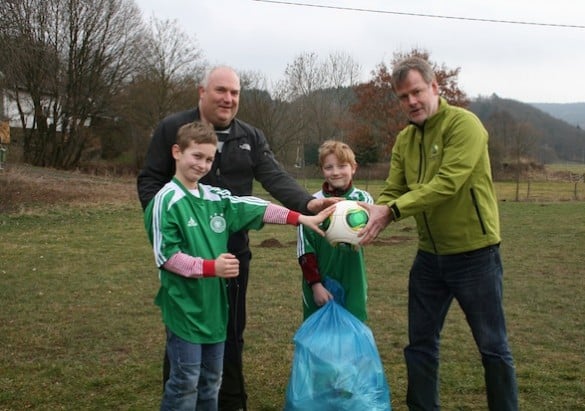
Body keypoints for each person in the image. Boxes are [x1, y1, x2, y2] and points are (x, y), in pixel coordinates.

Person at [137, 65, 336, 411]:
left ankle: (230, 401)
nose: (228, 99)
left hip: (232, 254)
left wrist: (307, 205)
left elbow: (268, 185)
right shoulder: (173, 129)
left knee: (229, 330)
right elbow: (150, 182)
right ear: (202, 92)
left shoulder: (251, 137)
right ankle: (181, 392)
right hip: (186, 254)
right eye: (220, 91)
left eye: (235, 92)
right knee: (184, 337)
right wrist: (170, 224)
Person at [358, 56, 519, 410]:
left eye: (416, 92)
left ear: (434, 87)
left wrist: (392, 211)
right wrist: (374, 211)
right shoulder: (404, 139)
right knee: (420, 345)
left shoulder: (466, 125)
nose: (411, 102)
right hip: (429, 258)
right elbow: (394, 188)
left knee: (492, 346)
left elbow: (447, 184)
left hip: (476, 255)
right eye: (403, 97)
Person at [297, 140, 373, 321]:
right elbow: (304, 250)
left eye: (342, 166)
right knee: (320, 337)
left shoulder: (363, 199)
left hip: (352, 276)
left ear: (354, 168)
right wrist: (315, 284)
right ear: (322, 170)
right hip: (319, 277)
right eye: (329, 167)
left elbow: (369, 232)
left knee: (353, 327)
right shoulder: (312, 203)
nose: (336, 172)